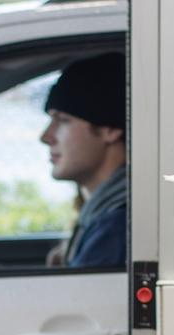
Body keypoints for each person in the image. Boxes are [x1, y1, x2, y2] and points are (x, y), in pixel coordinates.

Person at [41, 52, 127, 269]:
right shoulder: (103, 216)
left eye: (62, 120)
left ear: (109, 129)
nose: (45, 136)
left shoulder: (116, 227)